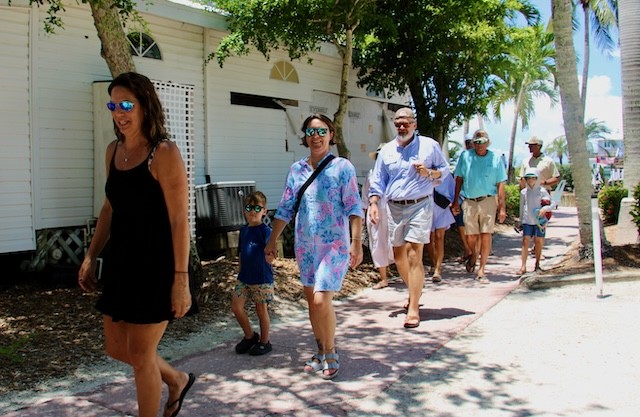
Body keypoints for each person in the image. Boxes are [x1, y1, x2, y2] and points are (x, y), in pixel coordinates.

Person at [78, 72, 196, 417]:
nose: (119, 113)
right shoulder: (112, 151)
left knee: (142, 356)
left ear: (145, 105)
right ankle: (176, 379)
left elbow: (179, 220)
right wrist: (91, 255)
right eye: (113, 106)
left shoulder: (164, 152)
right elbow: (109, 207)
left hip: (157, 266)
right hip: (122, 263)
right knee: (118, 348)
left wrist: (181, 280)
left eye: (126, 105)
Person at [264, 113, 363, 380]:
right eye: (310, 132)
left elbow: (354, 207)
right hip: (305, 245)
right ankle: (320, 350)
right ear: (305, 137)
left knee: (321, 302)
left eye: (321, 131)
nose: (316, 137)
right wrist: (272, 241)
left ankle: (331, 352)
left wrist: (356, 243)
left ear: (331, 135)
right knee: (312, 302)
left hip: (334, 246)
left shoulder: (343, 167)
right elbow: (285, 208)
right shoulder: (297, 170)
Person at [368, 108, 450, 329]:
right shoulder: (387, 150)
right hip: (394, 207)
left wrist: (429, 173)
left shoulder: (429, 146)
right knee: (399, 256)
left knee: (414, 253)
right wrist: (374, 203)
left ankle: (413, 308)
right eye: (398, 124)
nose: (402, 127)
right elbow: (378, 180)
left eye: (406, 123)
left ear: (415, 124)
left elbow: (444, 170)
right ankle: (414, 289)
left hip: (420, 204)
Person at [451, 129, 507, 284]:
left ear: (488, 142)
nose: (479, 145)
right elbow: (459, 179)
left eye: (482, 142)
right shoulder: (465, 156)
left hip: (488, 200)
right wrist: (455, 201)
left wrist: (502, 208)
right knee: (470, 235)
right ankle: (474, 254)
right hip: (469, 200)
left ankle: (482, 269)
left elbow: (501, 184)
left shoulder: (496, 158)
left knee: (486, 234)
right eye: (476, 142)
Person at [232, 191, 274, 356]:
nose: (252, 212)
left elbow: (271, 253)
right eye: (249, 208)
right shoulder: (243, 231)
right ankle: (250, 336)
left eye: (257, 208)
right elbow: (241, 253)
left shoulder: (266, 231)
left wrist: (270, 257)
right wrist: (240, 272)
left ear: (264, 211)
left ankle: (264, 342)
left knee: (261, 310)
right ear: (244, 211)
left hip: (261, 278)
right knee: (236, 307)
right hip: (244, 278)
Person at [362, 143, 395, 289]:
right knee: (377, 242)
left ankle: (405, 274)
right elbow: (365, 195)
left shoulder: (395, 173)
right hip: (375, 212)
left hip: (393, 210)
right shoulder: (371, 174)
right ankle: (383, 278)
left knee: (396, 242)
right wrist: (363, 216)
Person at [518, 168, 553, 275]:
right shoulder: (524, 192)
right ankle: (523, 266)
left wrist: (544, 209)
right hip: (527, 220)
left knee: (538, 242)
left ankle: (537, 264)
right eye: (528, 178)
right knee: (525, 241)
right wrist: (520, 221)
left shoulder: (542, 191)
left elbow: (551, 204)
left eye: (533, 178)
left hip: (539, 222)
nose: (530, 180)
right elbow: (522, 207)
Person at [426, 172, 456, 283]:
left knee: (439, 237)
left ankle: (438, 269)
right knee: (429, 238)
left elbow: (452, 191)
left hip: (442, 207)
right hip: (426, 206)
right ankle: (433, 263)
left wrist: (453, 204)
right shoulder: (424, 172)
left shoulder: (446, 174)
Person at [453, 137, 474, 264]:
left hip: (474, 198)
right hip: (462, 196)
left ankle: (473, 251)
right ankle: (467, 249)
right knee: (461, 224)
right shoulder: (463, 157)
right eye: (467, 144)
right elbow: (458, 178)